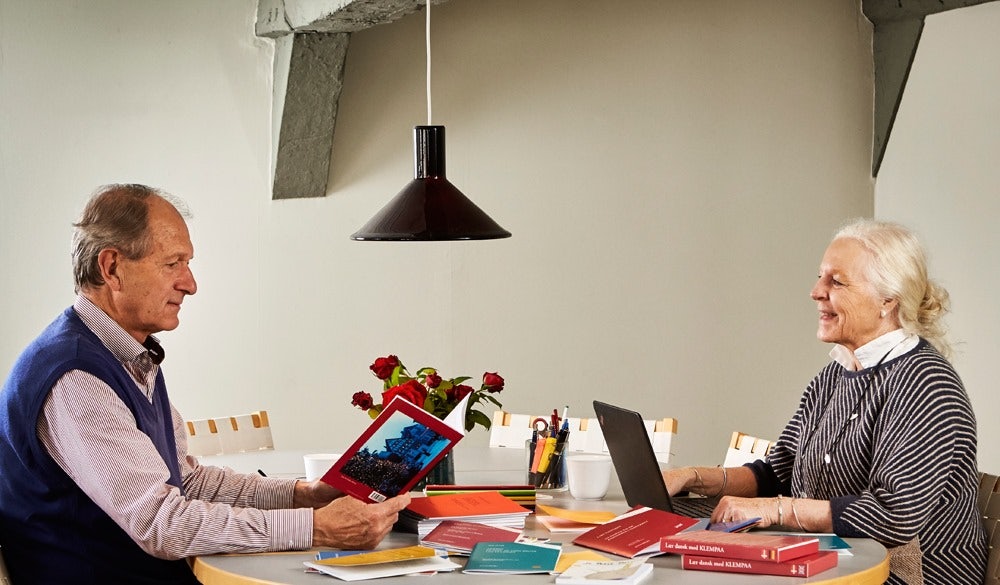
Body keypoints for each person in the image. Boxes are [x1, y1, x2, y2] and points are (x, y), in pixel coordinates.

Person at [0, 184, 411, 584]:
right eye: (172, 263)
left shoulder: (123, 354)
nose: (190, 283)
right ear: (112, 269)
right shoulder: (77, 378)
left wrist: (305, 494)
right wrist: (314, 527)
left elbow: (188, 481)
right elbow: (161, 524)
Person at [663, 218, 987, 585]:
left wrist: (776, 510)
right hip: (836, 558)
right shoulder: (834, 374)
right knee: (679, 546)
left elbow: (892, 516)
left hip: (907, 574)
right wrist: (691, 476)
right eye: (820, 277)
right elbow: (778, 473)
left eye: (836, 281)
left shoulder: (925, 382)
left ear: (887, 300)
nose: (816, 291)